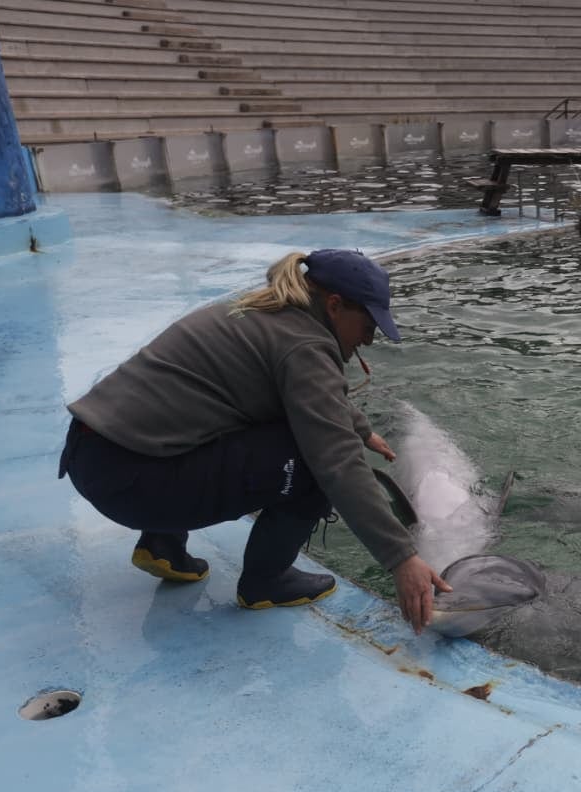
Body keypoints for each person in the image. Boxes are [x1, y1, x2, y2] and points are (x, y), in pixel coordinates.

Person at [58, 248, 451, 630]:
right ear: (335, 305)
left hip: (93, 455)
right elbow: (338, 462)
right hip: (133, 484)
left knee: (236, 416)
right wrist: (402, 558)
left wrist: (361, 429)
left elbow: (305, 392)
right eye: (369, 326)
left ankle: (162, 545)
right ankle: (267, 580)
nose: (368, 341)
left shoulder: (258, 312)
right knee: (313, 461)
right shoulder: (305, 346)